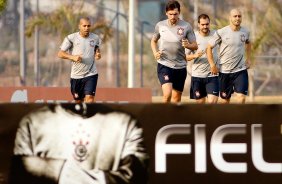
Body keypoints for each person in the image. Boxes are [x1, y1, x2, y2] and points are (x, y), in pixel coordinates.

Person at [10, 104, 149, 184]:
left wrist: (54, 171)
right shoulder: (33, 123)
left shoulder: (125, 124)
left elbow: (134, 179)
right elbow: (20, 176)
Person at [151, 0, 198, 103]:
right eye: (170, 14)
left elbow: (195, 46)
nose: (173, 17)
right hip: (164, 64)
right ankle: (163, 118)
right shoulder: (160, 25)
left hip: (180, 67)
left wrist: (188, 45)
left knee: (176, 99)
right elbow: (153, 41)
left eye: (175, 14)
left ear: (179, 13)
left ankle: (173, 119)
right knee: (167, 94)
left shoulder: (186, 26)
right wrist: (155, 53)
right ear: (166, 13)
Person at [207, 8, 251, 104]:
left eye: (239, 16)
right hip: (224, 72)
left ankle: (239, 119)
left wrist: (248, 58)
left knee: (241, 98)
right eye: (235, 16)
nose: (237, 18)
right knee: (225, 102)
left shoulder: (245, 32)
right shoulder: (221, 32)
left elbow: (248, 43)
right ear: (230, 18)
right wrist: (212, 65)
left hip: (240, 71)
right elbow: (209, 47)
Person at [58, 17, 102, 103]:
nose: (86, 28)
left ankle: (89, 116)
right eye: (84, 26)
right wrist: (72, 57)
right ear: (79, 26)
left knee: (90, 99)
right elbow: (60, 54)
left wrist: (98, 54)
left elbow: (96, 49)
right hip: (76, 76)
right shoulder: (71, 38)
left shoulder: (95, 38)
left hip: (91, 73)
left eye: (88, 26)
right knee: (78, 102)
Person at [186, 14, 219, 104]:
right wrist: (194, 56)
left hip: (212, 75)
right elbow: (184, 57)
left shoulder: (216, 35)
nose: (205, 26)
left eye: (207, 24)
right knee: (200, 105)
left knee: (212, 102)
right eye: (203, 24)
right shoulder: (193, 37)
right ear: (198, 24)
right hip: (197, 76)